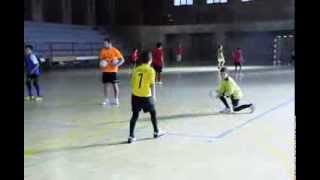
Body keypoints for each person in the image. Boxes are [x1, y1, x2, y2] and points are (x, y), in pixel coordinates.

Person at [128, 51, 165, 143]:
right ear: (150, 60)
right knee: (153, 113)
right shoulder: (151, 70)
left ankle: (131, 136)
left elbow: (132, 83)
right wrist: (153, 96)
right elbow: (152, 85)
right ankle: (156, 131)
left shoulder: (136, 69)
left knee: (135, 115)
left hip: (135, 95)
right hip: (146, 96)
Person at [99, 38, 125, 106]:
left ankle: (116, 99)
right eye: (104, 43)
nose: (104, 45)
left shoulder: (115, 50)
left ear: (109, 43)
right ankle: (106, 99)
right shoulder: (102, 51)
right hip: (105, 71)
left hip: (113, 71)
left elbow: (122, 60)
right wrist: (102, 64)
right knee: (106, 86)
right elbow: (101, 61)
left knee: (115, 86)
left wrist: (117, 64)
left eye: (105, 43)